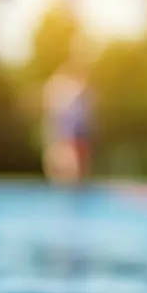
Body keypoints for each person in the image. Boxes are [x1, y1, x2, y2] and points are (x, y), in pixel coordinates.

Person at [42, 36, 95, 185]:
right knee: (64, 171)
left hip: (75, 138)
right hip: (64, 138)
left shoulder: (82, 91)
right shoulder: (63, 85)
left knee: (76, 172)